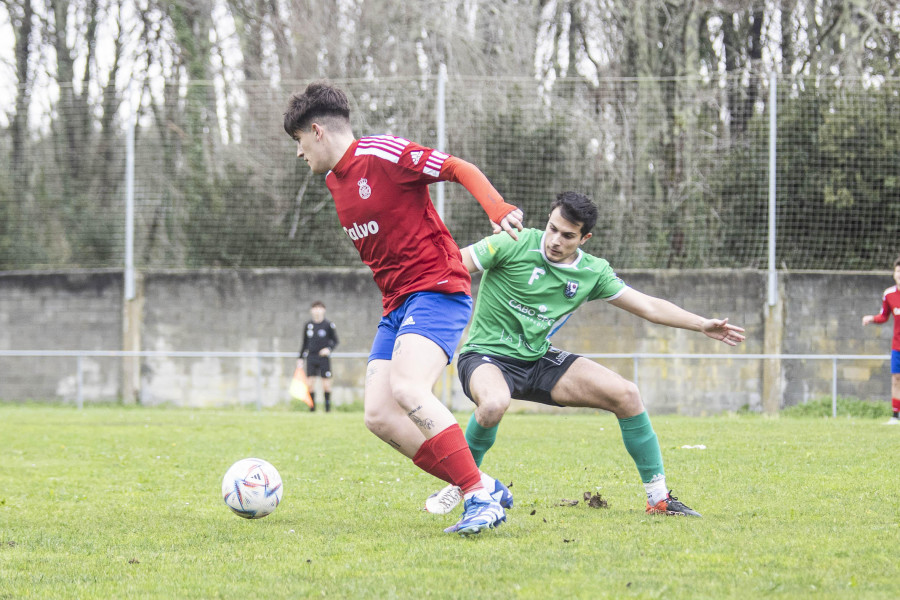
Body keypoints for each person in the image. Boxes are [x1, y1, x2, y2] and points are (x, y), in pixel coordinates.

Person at [283, 81, 524, 535]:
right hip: (397, 304)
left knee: (410, 389)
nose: (299, 154)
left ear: (316, 130)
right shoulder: (336, 182)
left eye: (299, 142)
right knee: (379, 415)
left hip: (437, 288)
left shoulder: (382, 154)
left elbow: (456, 167)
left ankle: (477, 501)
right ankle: (485, 485)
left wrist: (496, 207)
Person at [424, 191, 746, 518]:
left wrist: (701, 323)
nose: (555, 241)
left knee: (627, 394)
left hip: (536, 360)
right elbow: (448, 265)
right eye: (552, 228)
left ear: (584, 238)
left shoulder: (592, 272)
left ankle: (659, 499)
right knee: (494, 403)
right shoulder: (512, 242)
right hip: (486, 356)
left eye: (567, 236)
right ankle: (463, 482)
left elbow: (648, 306)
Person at [861, 257, 900, 425]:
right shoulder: (889, 294)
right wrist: (872, 318)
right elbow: (884, 316)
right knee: (896, 378)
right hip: (897, 345)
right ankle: (895, 416)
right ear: (894, 274)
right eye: (898, 271)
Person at [298, 301, 339, 412]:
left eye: (319, 308)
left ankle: (327, 409)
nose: (317, 310)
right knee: (310, 383)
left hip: (323, 358)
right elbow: (304, 343)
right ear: (312, 310)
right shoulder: (308, 325)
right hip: (311, 357)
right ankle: (312, 409)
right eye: (315, 308)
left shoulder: (328, 325)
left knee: (326, 384)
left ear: (323, 310)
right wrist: (300, 358)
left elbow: (335, 341)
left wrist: (328, 349)